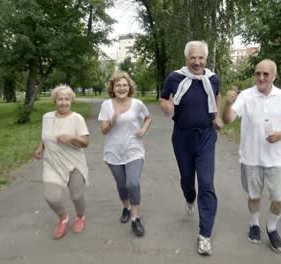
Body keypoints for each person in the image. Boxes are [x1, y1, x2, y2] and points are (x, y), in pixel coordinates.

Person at [223, 59, 281, 253]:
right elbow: (228, 119)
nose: (261, 77)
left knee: (280, 198)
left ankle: (271, 227)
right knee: (254, 195)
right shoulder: (246, 96)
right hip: (251, 157)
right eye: (258, 73)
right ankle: (254, 224)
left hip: (277, 158)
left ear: (274, 76)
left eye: (265, 74)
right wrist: (227, 104)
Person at [159, 40, 223, 256]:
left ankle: (205, 235)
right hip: (182, 136)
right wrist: (167, 106)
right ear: (187, 59)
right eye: (193, 58)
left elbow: (216, 95)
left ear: (206, 59)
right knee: (188, 180)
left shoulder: (213, 78)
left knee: (207, 183)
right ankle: (189, 196)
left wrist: (217, 116)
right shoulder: (175, 77)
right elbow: (163, 97)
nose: (197, 62)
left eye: (201, 58)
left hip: (206, 136)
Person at [98, 71, 151, 237]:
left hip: (134, 150)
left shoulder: (137, 104)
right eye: (118, 85)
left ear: (130, 87)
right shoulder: (106, 105)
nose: (122, 88)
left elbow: (148, 118)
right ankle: (126, 207)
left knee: (132, 184)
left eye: (125, 85)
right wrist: (112, 121)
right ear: (113, 88)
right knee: (122, 186)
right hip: (113, 152)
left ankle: (135, 219)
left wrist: (143, 130)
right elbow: (103, 131)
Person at [34, 84, 90, 240]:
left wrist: (71, 138)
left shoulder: (77, 118)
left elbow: (86, 142)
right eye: (60, 99)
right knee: (52, 197)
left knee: (77, 196)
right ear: (54, 101)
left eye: (67, 99)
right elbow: (45, 135)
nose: (63, 102)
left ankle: (80, 217)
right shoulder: (47, 117)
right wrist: (40, 148)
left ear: (71, 100)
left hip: (74, 163)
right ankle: (63, 218)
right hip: (52, 162)